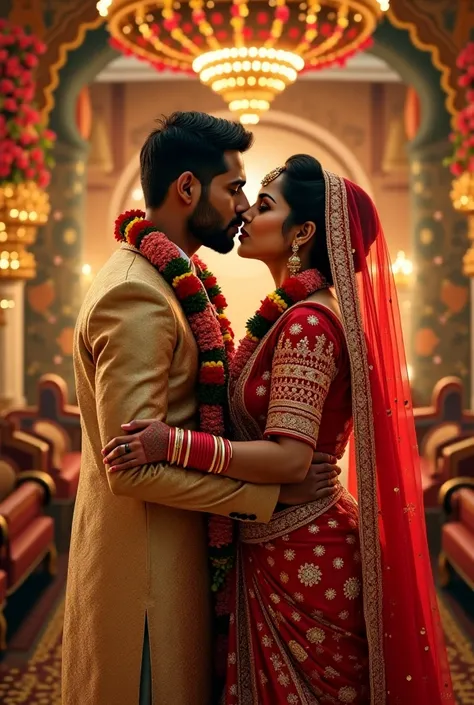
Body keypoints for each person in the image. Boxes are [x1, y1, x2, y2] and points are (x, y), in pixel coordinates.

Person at [104, 155, 455, 704]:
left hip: (306, 557)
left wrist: (169, 442)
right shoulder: (290, 316)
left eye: (264, 206)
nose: (246, 213)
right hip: (278, 544)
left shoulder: (308, 322)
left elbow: (291, 462)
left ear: (304, 232)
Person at [62, 115, 340, 705]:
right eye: (235, 189)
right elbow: (131, 466)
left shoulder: (169, 281)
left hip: (181, 559)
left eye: (253, 196)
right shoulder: (138, 293)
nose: (242, 207)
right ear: (188, 189)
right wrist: (268, 496)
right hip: (146, 576)